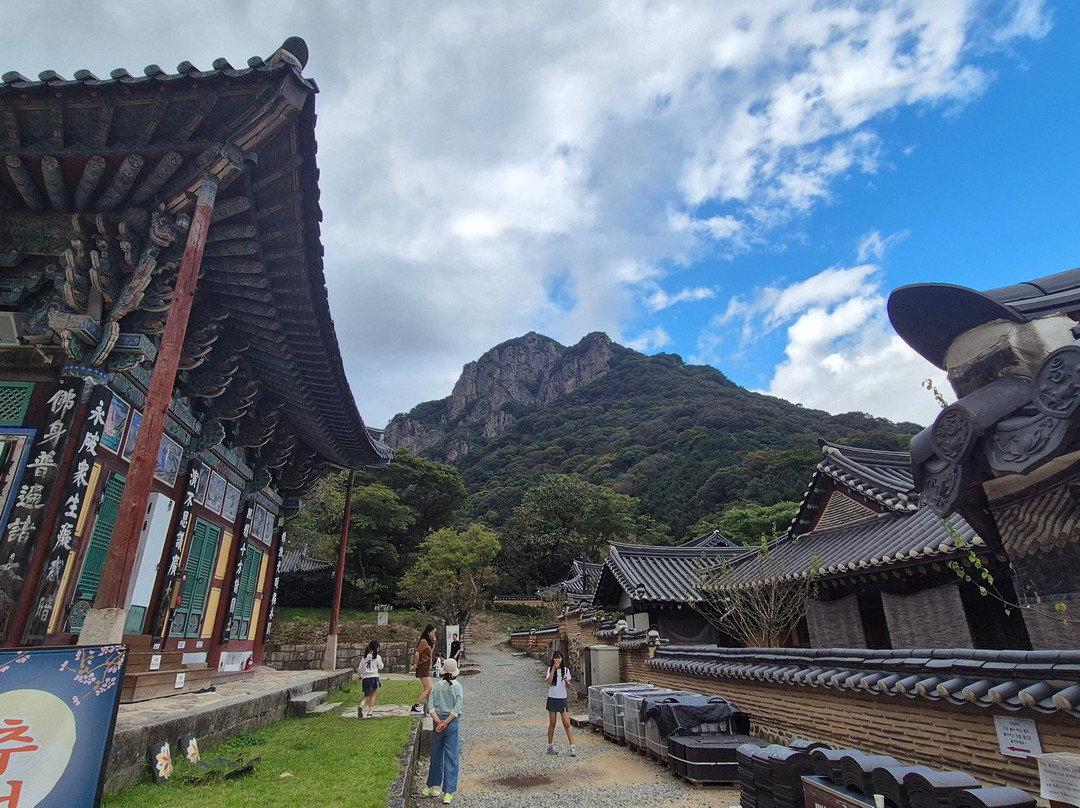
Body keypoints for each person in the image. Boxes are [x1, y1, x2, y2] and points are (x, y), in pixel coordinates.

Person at [422, 657, 463, 803]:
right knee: (451, 756)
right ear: (455, 673)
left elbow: (431, 706)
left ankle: (432, 786)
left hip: (437, 721)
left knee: (436, 753)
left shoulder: (437, 686)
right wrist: (446, 722)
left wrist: (438, 720)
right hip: (451, 723)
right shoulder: (457, 687)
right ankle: (448, 792)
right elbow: (457, 709)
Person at [545, 650, 576, 756]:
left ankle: (572, 747)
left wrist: (566, 680)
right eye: (555, 658)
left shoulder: (566, 670)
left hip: (562, 698)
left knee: (567, 723)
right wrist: (553, 669)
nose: (557, 660)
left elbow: (569, 686)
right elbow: (549, 682)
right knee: (552, 723)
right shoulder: (550, 669)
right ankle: (550, 745)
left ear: (562, 659)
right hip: (552, 698)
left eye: (559, 658)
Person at [411, 624, 436, 715]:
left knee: (431, 687)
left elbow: (430, 653)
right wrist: (415, 665)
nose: (434, 635)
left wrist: (433, 643)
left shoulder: (428, 642)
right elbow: (417, 653)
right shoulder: (423, 642)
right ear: (428, 632)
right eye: (433, 633)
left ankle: (430, 707)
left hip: (425, 666)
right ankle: (416, 706)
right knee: (428, 687)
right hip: (422, 666)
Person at [359, 640, 384, 719]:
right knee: (373, 695)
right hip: (374, 677)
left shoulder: (364, 657)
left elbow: (360, 668)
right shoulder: (377, 657)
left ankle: (361, 705)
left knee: (366, 695)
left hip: (366, 678)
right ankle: (369, 713)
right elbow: (381, 667)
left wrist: (360, 676)